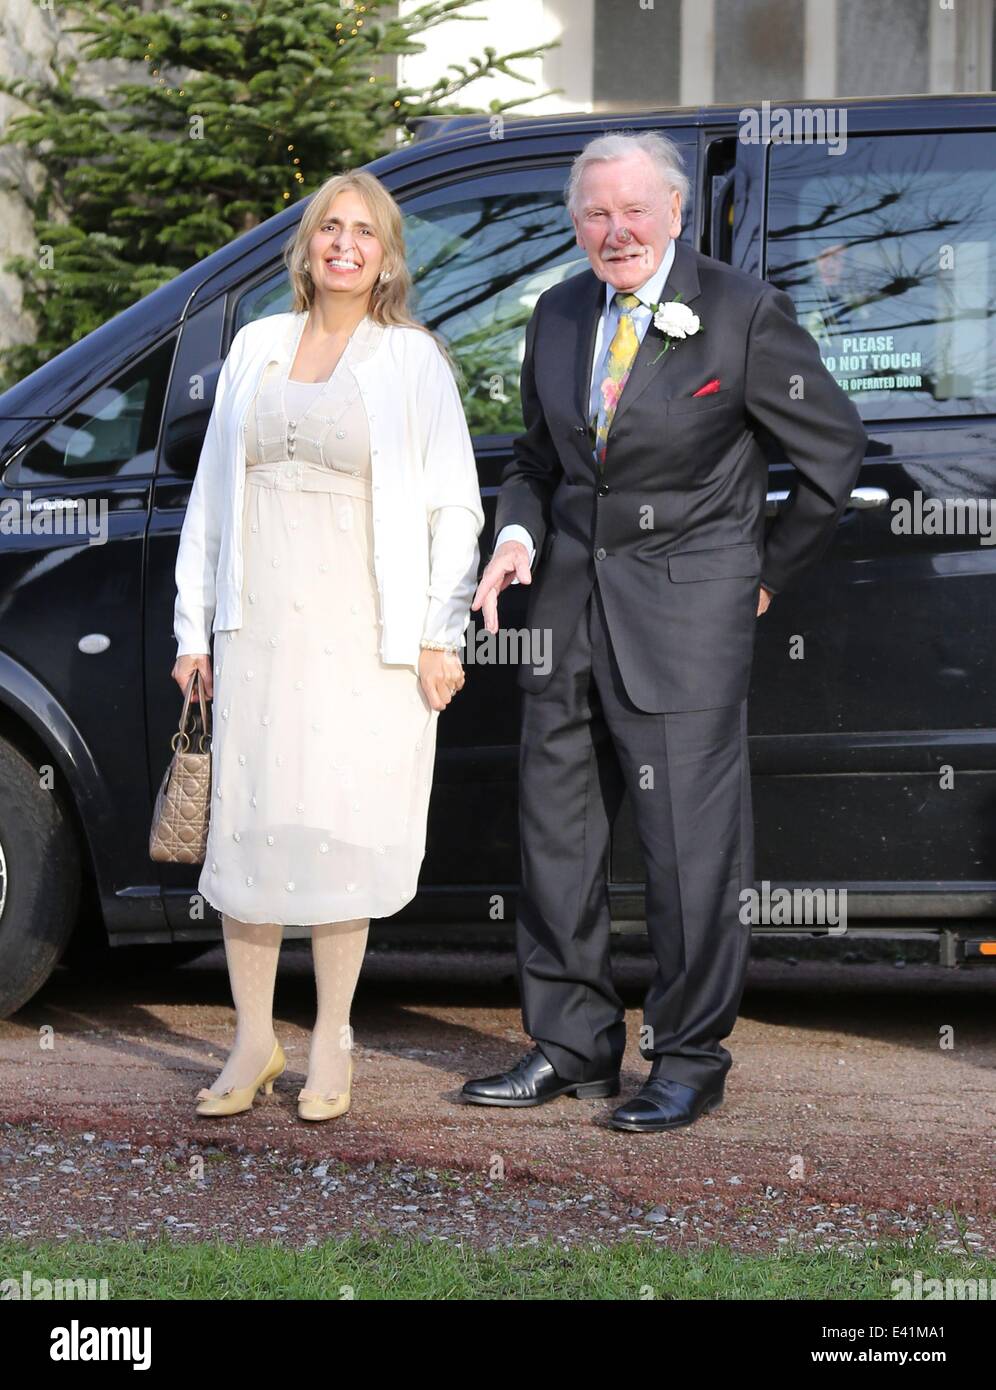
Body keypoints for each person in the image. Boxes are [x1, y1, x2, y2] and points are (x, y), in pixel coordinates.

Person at [462, 131, 867, 1131]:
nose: (616, 231)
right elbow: (536, 460)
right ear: (574, 222)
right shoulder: (557, 314)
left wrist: (763, 575)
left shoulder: (739, 311)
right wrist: (514, 532)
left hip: (686, 622)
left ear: (677, 214)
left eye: (634, 210)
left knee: (691, 856)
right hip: (562, 618)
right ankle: (570, 1046)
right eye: (596, 213)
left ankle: (689, 1056)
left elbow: (832, 453)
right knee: (555, 841)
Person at [172, 169, 484, 1122]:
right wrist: (193, 629)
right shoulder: (257, 348)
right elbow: (210, 501)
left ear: (386, 257)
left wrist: (439, 632)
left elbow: (454, 507)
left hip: (365, 641)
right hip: (257, 633)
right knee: (250, 834)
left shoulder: (411, 361)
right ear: (307, 246)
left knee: (341, 832)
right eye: (328, 228)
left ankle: (334, 1039)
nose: (344, 243)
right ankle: (254, 1040)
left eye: (364, 232)